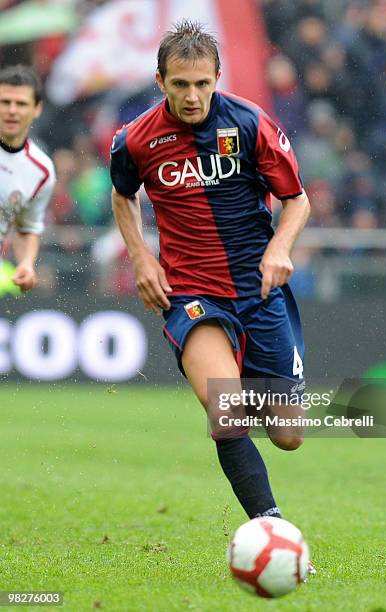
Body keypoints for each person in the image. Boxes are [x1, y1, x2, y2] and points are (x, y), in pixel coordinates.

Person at [110, 20, 314, 571]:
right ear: (160, 82)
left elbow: (296, 200)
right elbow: (122, 195)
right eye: (180, 84)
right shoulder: (136, 139)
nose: (192, 95)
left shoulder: (250, 124)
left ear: (218, 77)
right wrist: (141, 255)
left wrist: (280, 249)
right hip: (191, 295)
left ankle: (250, 376)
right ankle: (272, 531)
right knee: (225, 410)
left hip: (259, 290)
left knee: (289, 436)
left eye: (202, 83)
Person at [0, 65, 56, 292]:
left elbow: (26, 227)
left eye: (21, 104)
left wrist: (25, 263)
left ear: (37, 109)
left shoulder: (41, 171)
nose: (12, 110)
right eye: (5, 102)